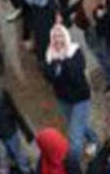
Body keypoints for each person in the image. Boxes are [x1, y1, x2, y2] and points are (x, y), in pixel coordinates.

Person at [42, 24, 98, 160]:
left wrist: (64, 59)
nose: (57, 40)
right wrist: (55, 61)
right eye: (54, 37)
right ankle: (93, 138)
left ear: (66, 37)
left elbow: (75, 76)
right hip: (63, 99)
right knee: (76, 124)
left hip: (80, 98)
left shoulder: (75, 52)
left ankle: (73, 165)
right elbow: (49, 77)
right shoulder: (49, 55)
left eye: (60, 36)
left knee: (74, 137)